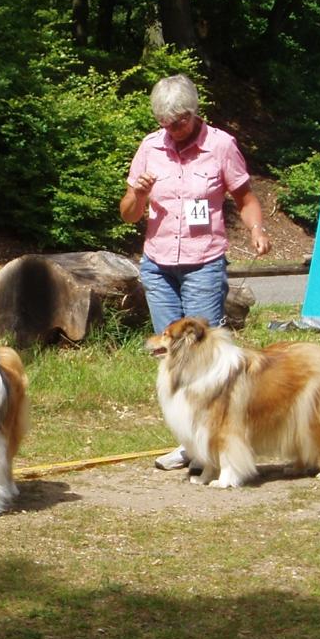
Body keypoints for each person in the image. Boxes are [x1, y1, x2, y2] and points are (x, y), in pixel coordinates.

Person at [120, 74, 271, 470]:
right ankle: (189, 443)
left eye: (178, 123)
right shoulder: (150, 147)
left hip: (204, 264)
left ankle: (219, 440)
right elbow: (127, 214)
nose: (171, 130)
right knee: (172, 359)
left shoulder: (221, 145)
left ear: (194, 112)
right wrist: (137, 192)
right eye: (164, 123)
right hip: (159, 266)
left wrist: (256, 228)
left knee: (206, 359)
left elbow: (245, 197)